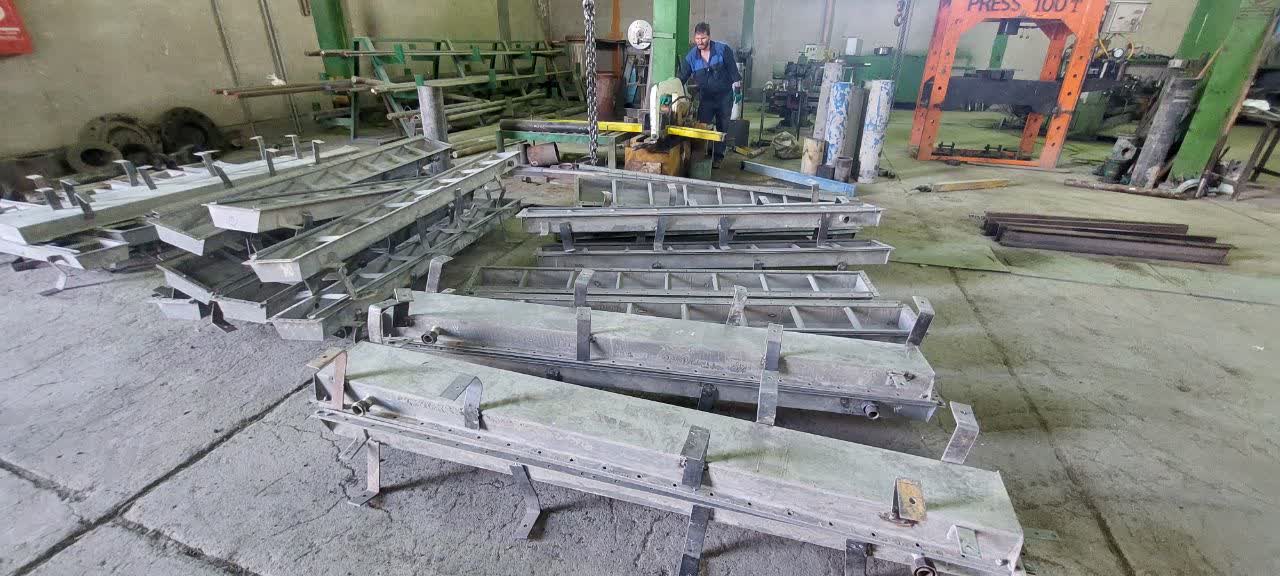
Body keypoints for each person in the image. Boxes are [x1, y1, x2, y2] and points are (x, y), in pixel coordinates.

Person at [678, 22, 741, 168]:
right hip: (706, 98)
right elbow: (681, 77)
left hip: (724, 97)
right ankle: (700, 155)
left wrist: (737, 91)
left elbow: (734, 72)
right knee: (702, 126)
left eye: (703, 38)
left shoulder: (723, 50)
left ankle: (718, 157)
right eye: (697, 39)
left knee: (722, 127)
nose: (700, 42)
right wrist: (671, 89)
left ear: (709, 36)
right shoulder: (691, 57)